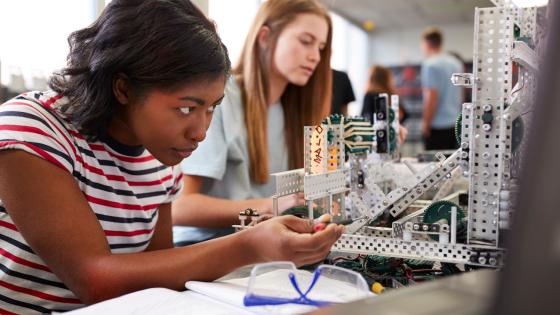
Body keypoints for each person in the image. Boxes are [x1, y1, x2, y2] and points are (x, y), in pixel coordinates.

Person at [0, 1, 342, 313]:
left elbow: (159, 270)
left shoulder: (159, 155)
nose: (200, 131)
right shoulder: (31, 129)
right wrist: (249, 245)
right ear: (123, 88)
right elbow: (95, 280)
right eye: (186, 107)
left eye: (212, 108)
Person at [172, 0, 333, 246]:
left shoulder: (295, 112)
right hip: (208, 251)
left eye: (321, 47)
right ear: (265, 37)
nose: (315, 57)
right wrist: (270, 205)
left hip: (265, 250)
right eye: (305, 41)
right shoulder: (220, 99)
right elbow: (180, 207)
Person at [420, 27, 462, 150]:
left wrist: (426, 124)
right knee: (452, 165)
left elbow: (431, 97)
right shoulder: (456, 63)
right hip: (454, 124)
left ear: (426, 43)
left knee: (435, 166)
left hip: (437, 126)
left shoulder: (430, 64)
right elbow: (461, 93)